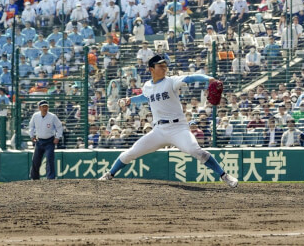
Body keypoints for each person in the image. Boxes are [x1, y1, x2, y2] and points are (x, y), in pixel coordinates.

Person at [99, 55, 238, 187]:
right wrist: (130, 100)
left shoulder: (171, 81)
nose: (164, 68)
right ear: (151, 69)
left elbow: (190, 78)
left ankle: (224, 175)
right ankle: (110, 174)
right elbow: (146, 97)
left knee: (195, 150)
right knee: (131, 152)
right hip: (159, 131)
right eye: (161, 66)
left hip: (178, 128)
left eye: (165, 65)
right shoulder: (147, 85)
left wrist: (209, 79)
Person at [29, 100, 63, 180]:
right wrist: (31, 135)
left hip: (49, 141)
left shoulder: (52, 116)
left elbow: (59, 126)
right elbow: (31, 126)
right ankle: (34, 178)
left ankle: (50, 178)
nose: (45, 108)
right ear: (39, 108)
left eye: (46, 106)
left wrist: (58, 137)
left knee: (49, 159)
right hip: (39, 140)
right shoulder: (35, 116)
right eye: (43, 106)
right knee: (35, 160)